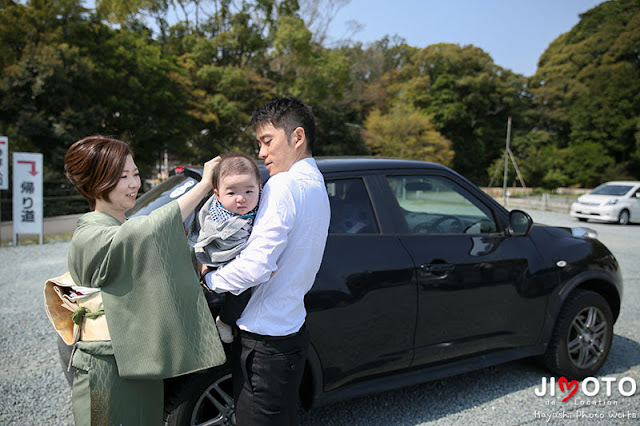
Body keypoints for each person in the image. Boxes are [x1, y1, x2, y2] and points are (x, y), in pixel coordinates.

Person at [63, 136, 226, 425]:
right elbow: (148, 233)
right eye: (121, 176)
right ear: (95, 182)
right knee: (100, 420)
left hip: (139, 359)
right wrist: (202, 186)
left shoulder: (120, 225)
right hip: (103, 364)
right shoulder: (91, 233)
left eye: (135, 174)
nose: (133, 183)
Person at [204, 97, 331, 425]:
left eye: (267, 141)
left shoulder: (284, 185)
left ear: (297, 137)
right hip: (290, 331)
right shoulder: (316, 183)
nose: (261, 153)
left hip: (265, 342)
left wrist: (209, 281)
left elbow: (257, 266)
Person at [187, 152, 261, 343]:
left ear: (259, 189)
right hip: (213, 263)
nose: (241, 199)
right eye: (231, 192)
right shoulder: (214, 215)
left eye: (249, 191)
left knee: (241, 291)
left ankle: (225, 320)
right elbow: (203, 237)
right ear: (218, 195)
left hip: (232, 275)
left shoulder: (263, 211)